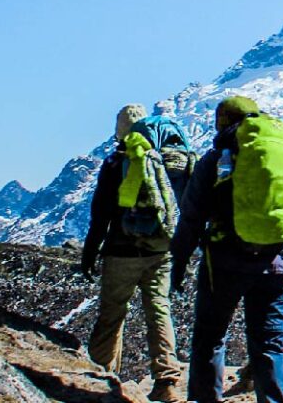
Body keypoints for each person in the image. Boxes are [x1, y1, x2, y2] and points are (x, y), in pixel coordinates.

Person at [170, 96, 283, 403]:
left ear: (222, 122)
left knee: (210, 339)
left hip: (226, 262)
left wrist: (179, 262)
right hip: (278, 263)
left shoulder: (217, 159)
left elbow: (192, 215)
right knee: (270, 345)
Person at [81, 104, 189, 402]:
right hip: (162, 251)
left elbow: (101, 213)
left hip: (121, 250)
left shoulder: (118, 162)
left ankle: (100, 376)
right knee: (159, 310)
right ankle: (167, 383)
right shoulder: (173, 161)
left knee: (113, 312)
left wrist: (90, 251)